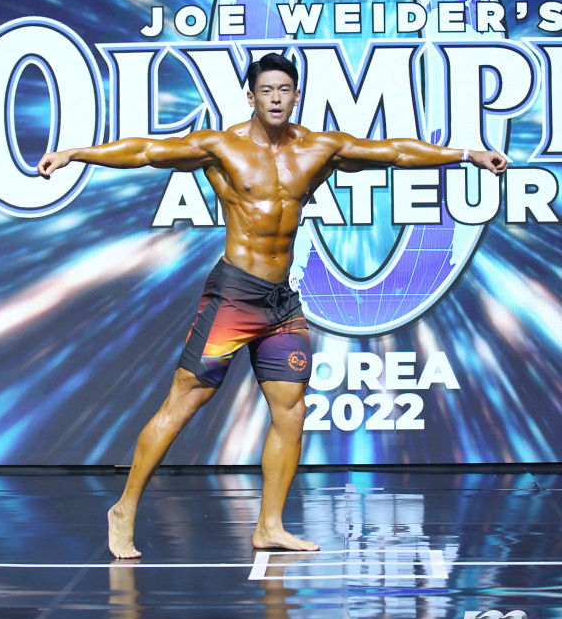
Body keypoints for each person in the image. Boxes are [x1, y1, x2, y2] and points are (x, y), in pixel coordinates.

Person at [37, 53, 507, 558]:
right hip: (234, 296)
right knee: (183, 403)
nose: (276, 98)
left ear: (296, 95)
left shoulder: (318, 148)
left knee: (291, 410)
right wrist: (75, 154)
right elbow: (147, 151)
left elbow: (394, 152)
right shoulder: (222, 147)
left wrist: (468, 154)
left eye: (284, 89)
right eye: (267, 90)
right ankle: (124, 508)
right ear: (251, 96)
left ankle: (270, 526)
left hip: (281, 301)